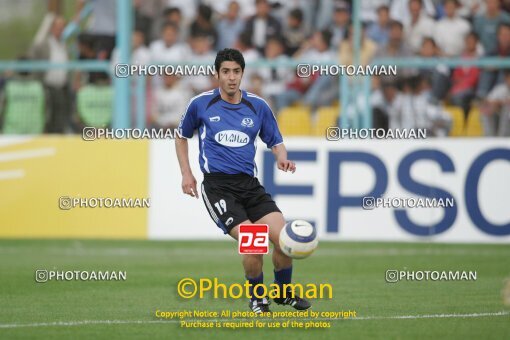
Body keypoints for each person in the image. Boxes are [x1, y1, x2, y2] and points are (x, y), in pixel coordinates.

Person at [175, 48, 311, 314]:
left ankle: (283, 293)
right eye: (225, 71)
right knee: (254, 242)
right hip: (218, 188)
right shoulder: (200, 104)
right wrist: (186, 173)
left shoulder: (257, 106)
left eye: (236, 72)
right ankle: (257, 299)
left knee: (284, 239)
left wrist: (282, 158)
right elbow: (181, 136)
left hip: (250, 185)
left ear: (242, 74)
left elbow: (276, 141)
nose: (231, 77)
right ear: (217, 75)